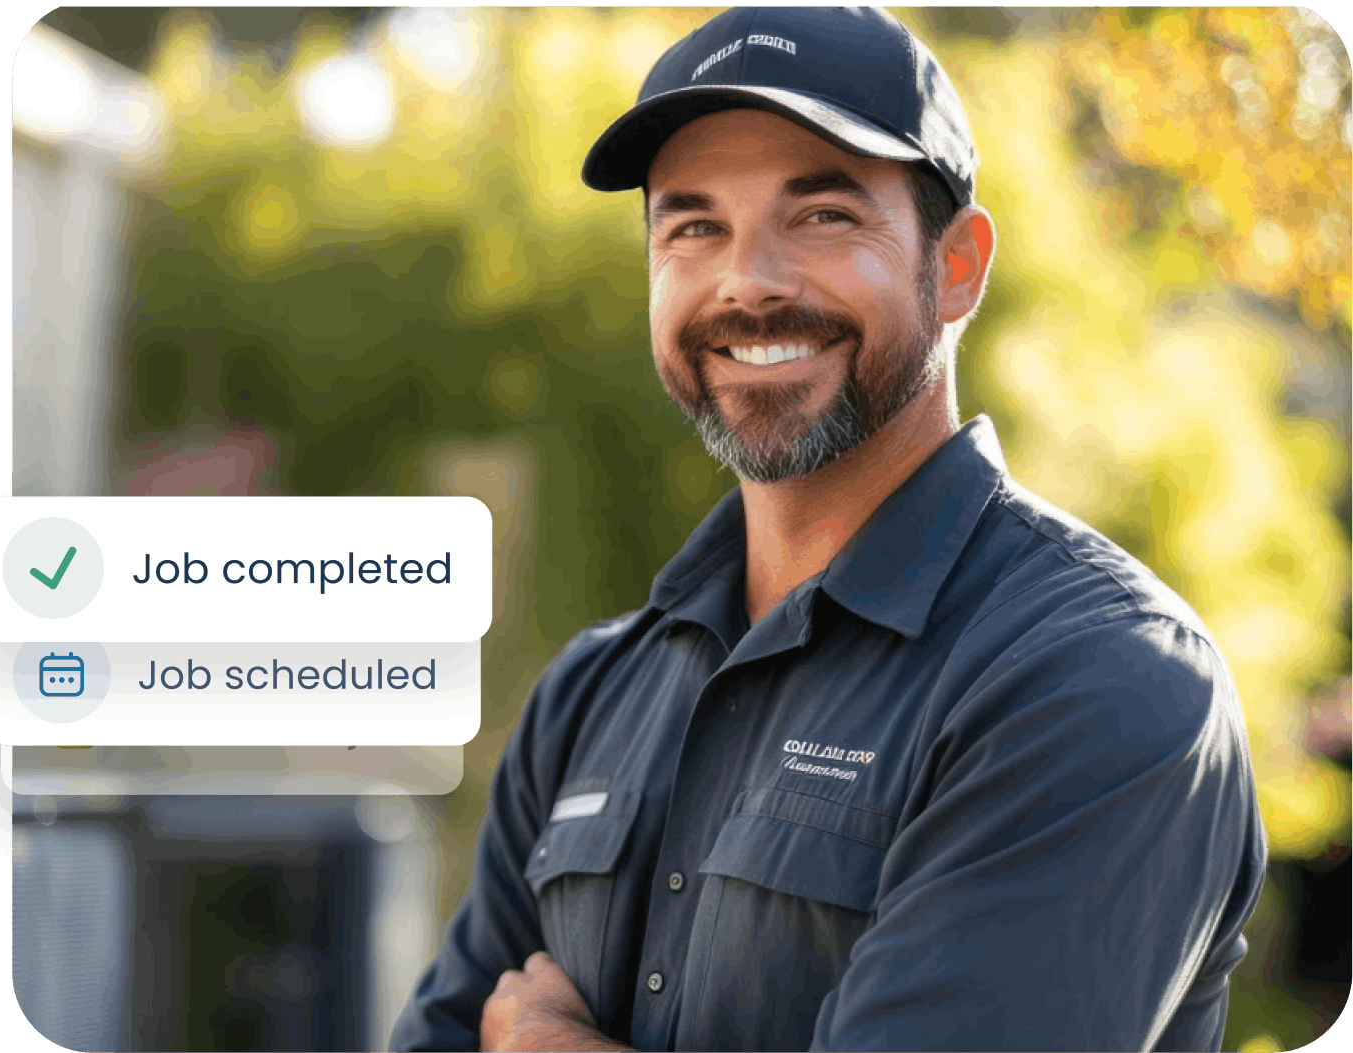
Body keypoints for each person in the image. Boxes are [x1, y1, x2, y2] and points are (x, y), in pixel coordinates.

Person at [389, 8, 1267, 1051]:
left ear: (956, 266)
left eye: (821, 216)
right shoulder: (587, 698)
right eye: (693, 227)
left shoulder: (1096, 678)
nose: (748, 280)